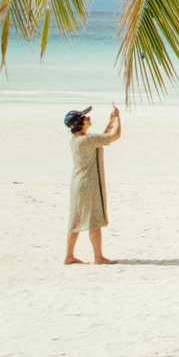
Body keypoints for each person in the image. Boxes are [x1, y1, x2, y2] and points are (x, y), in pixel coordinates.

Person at [65, 106, 122, 265]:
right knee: (94, 220)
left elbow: (101, 138)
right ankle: (98, 257)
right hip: (89, 184)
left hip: (77, 183)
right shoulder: (87, 140)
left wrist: (110, 123)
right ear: (80, 124)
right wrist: (117, 119)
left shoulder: (77, 140)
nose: (88, 118)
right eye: (85, 118)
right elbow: (115, 136)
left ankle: (69, 256)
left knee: (75, 220)